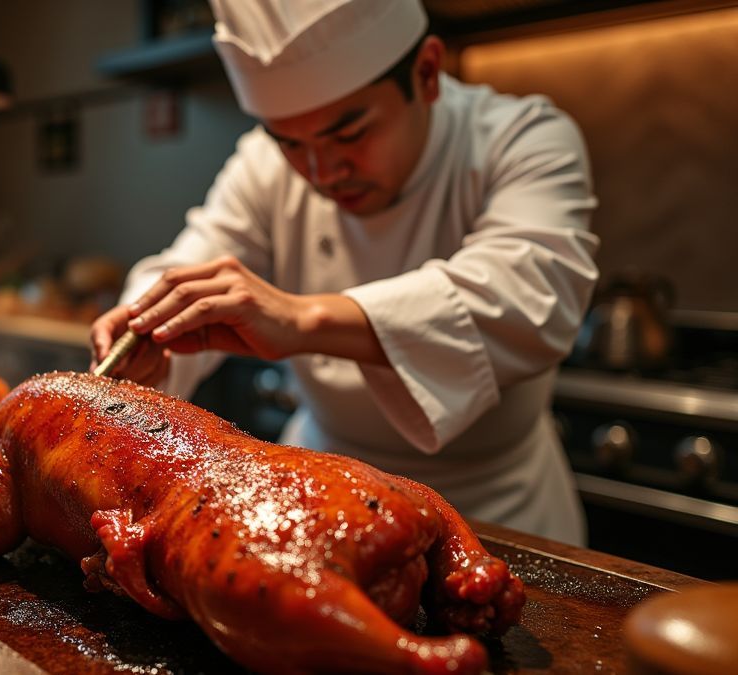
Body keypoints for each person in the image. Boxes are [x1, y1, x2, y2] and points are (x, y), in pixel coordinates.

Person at [90, 0, 599, 545]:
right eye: (291, 143)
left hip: (499, 506)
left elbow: (532, 289)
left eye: (351, 133)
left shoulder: (521, 137)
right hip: (319, 492)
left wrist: (303, 317)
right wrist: (148, 335)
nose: (321, 172)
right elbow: (195, 261)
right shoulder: (262, 164)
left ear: (427, 73)